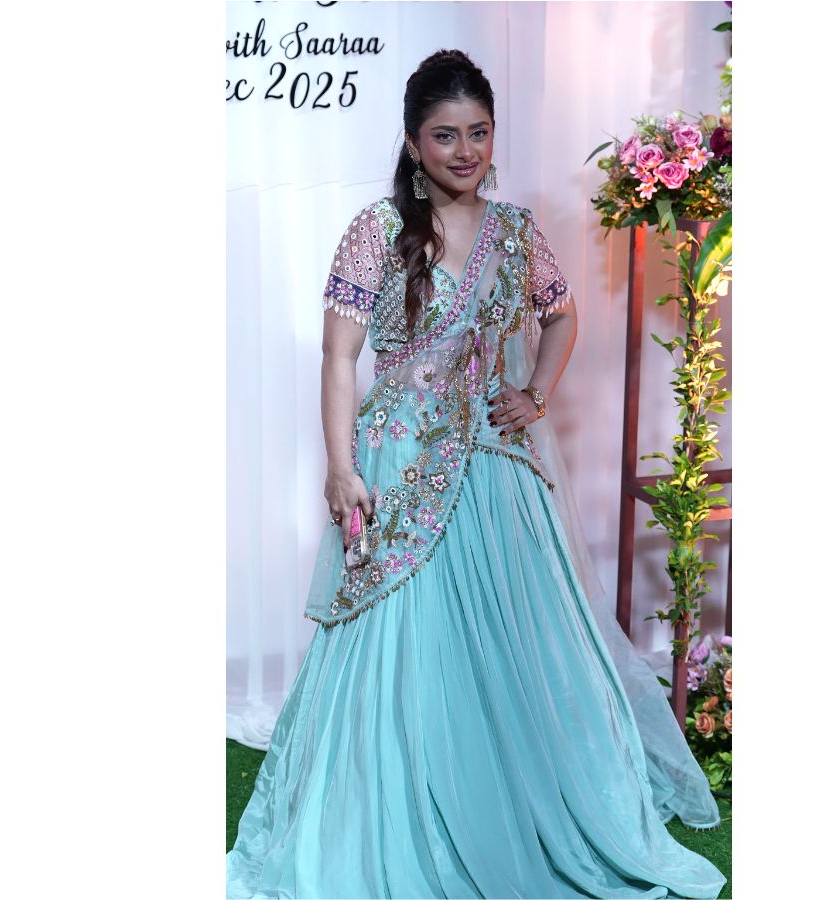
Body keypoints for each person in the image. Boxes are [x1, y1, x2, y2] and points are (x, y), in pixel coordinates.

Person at [227, 49, 727, 900]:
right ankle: (398, 811)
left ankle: (501, 803)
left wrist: (535, 393)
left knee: (510, 653)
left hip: (494, 470)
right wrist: (342, 469)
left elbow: (560, 316)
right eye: (445, 135)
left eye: (479, 132)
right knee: (397, 649)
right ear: (413, 142)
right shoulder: (377, 231)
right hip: (398, 465)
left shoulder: (517, 232)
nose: (465, 150)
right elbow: (340, 358)